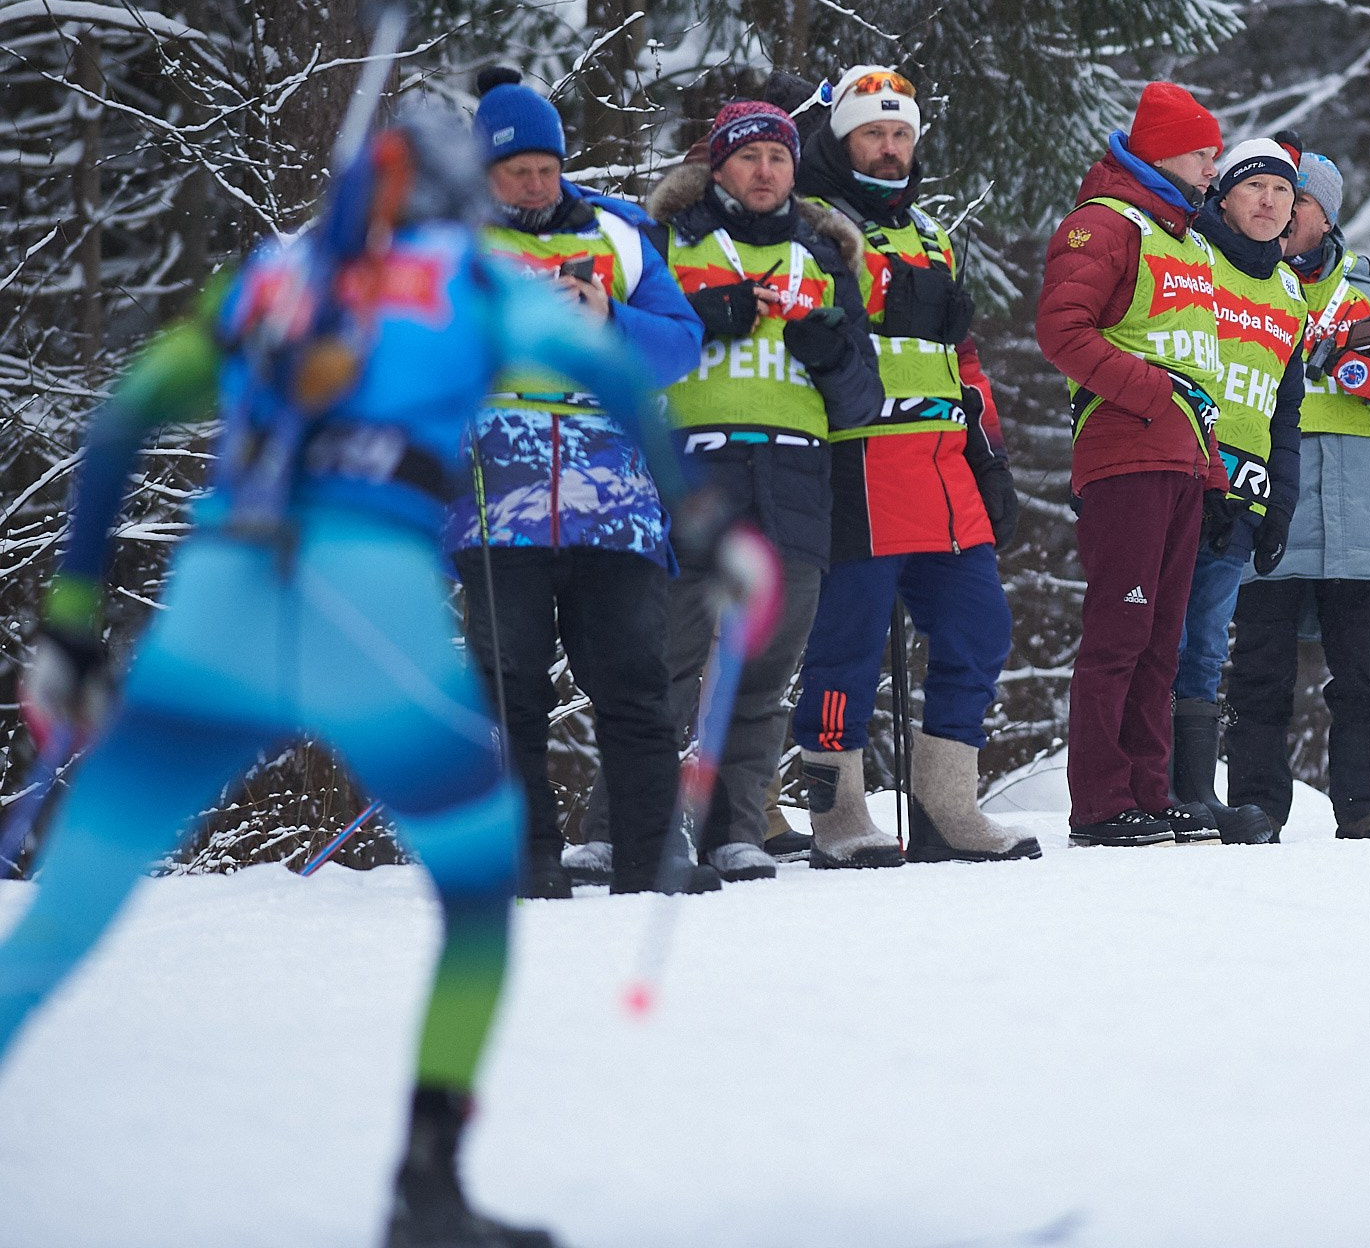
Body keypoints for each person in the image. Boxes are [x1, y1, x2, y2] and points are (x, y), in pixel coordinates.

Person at [4, 106, 749, 1248]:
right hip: (369, 590)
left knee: (69, 910)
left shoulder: (273, 276)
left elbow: (121, 421)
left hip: (222, 593)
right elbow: (616, 371)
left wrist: (70, 622)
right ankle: (428, 1185)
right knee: (475, 886)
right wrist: (700, 527)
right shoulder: (471, 275)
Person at [445, 67, 714, 899]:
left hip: (615, 506)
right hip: (497, 504)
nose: (534, 184)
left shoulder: (620, 234)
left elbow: (682, 343)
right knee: (509, 692)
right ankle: (526, 861)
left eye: (546, 167)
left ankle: (652, 856)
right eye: (515, 170)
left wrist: (607, 318)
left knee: (635, 685)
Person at [602, 99, 881, 882]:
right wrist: (701, 318)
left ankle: (736, 831)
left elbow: (863, 402)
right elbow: (621, 347)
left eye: (779, 158)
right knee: (664, 662)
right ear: (716, 166)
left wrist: (831, 357)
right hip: (694, 471)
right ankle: (623, 827)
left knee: (762, 671)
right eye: (748, 157)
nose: (765, 172)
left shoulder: (826, 256)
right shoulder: (664, 244)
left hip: (794, 478)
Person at [773, 64, 1035, 866]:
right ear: (839, 136)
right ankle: (838, 810)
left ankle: (946, 804)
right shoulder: (810, 227)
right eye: (872, 134)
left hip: (945, 467)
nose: (888, 149)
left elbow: (963, 363)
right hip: (857, 463)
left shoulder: (932, 236)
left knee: (980, 629)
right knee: (844, 648)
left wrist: (991, 459)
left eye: (899, 135)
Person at [1035, 81, 1230, 846]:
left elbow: (1198, 368)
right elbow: (1063, 332)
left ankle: (1151, 792)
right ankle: (1100, 803)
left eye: (1215, 153)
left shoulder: (1185, 239)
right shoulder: (1104, 224)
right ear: (1158, 152)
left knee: (1163, 637)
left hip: (1181, 460)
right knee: (1120, 630)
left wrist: (1208, 464)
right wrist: (1152, 394)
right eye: (1200, 153)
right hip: (1125, 455)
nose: (1212, 168)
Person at [1224, 148, 1370, 839]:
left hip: (1357, 517)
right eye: (1274, 197)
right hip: (1268, 509)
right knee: (1259, 677)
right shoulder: (1240, 281)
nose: (1283, 212)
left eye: (1299, 201)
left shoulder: (1369, 291)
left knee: (1364, 676)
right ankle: (1256, 806)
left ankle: (1368, 808)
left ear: (1325, 215)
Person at [1165, 137, 1309, 845]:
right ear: (1224, 196)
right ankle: (1141, 784)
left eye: (1283, 193)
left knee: (1205, 645)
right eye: (1255, 187)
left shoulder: (1289, 291)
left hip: (1245, 496)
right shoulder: (1194, 256)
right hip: (1181, 473)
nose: (1269, 201)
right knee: (1153, 631)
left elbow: (1286, 410)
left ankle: (1193, 793)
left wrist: (1282, 503)